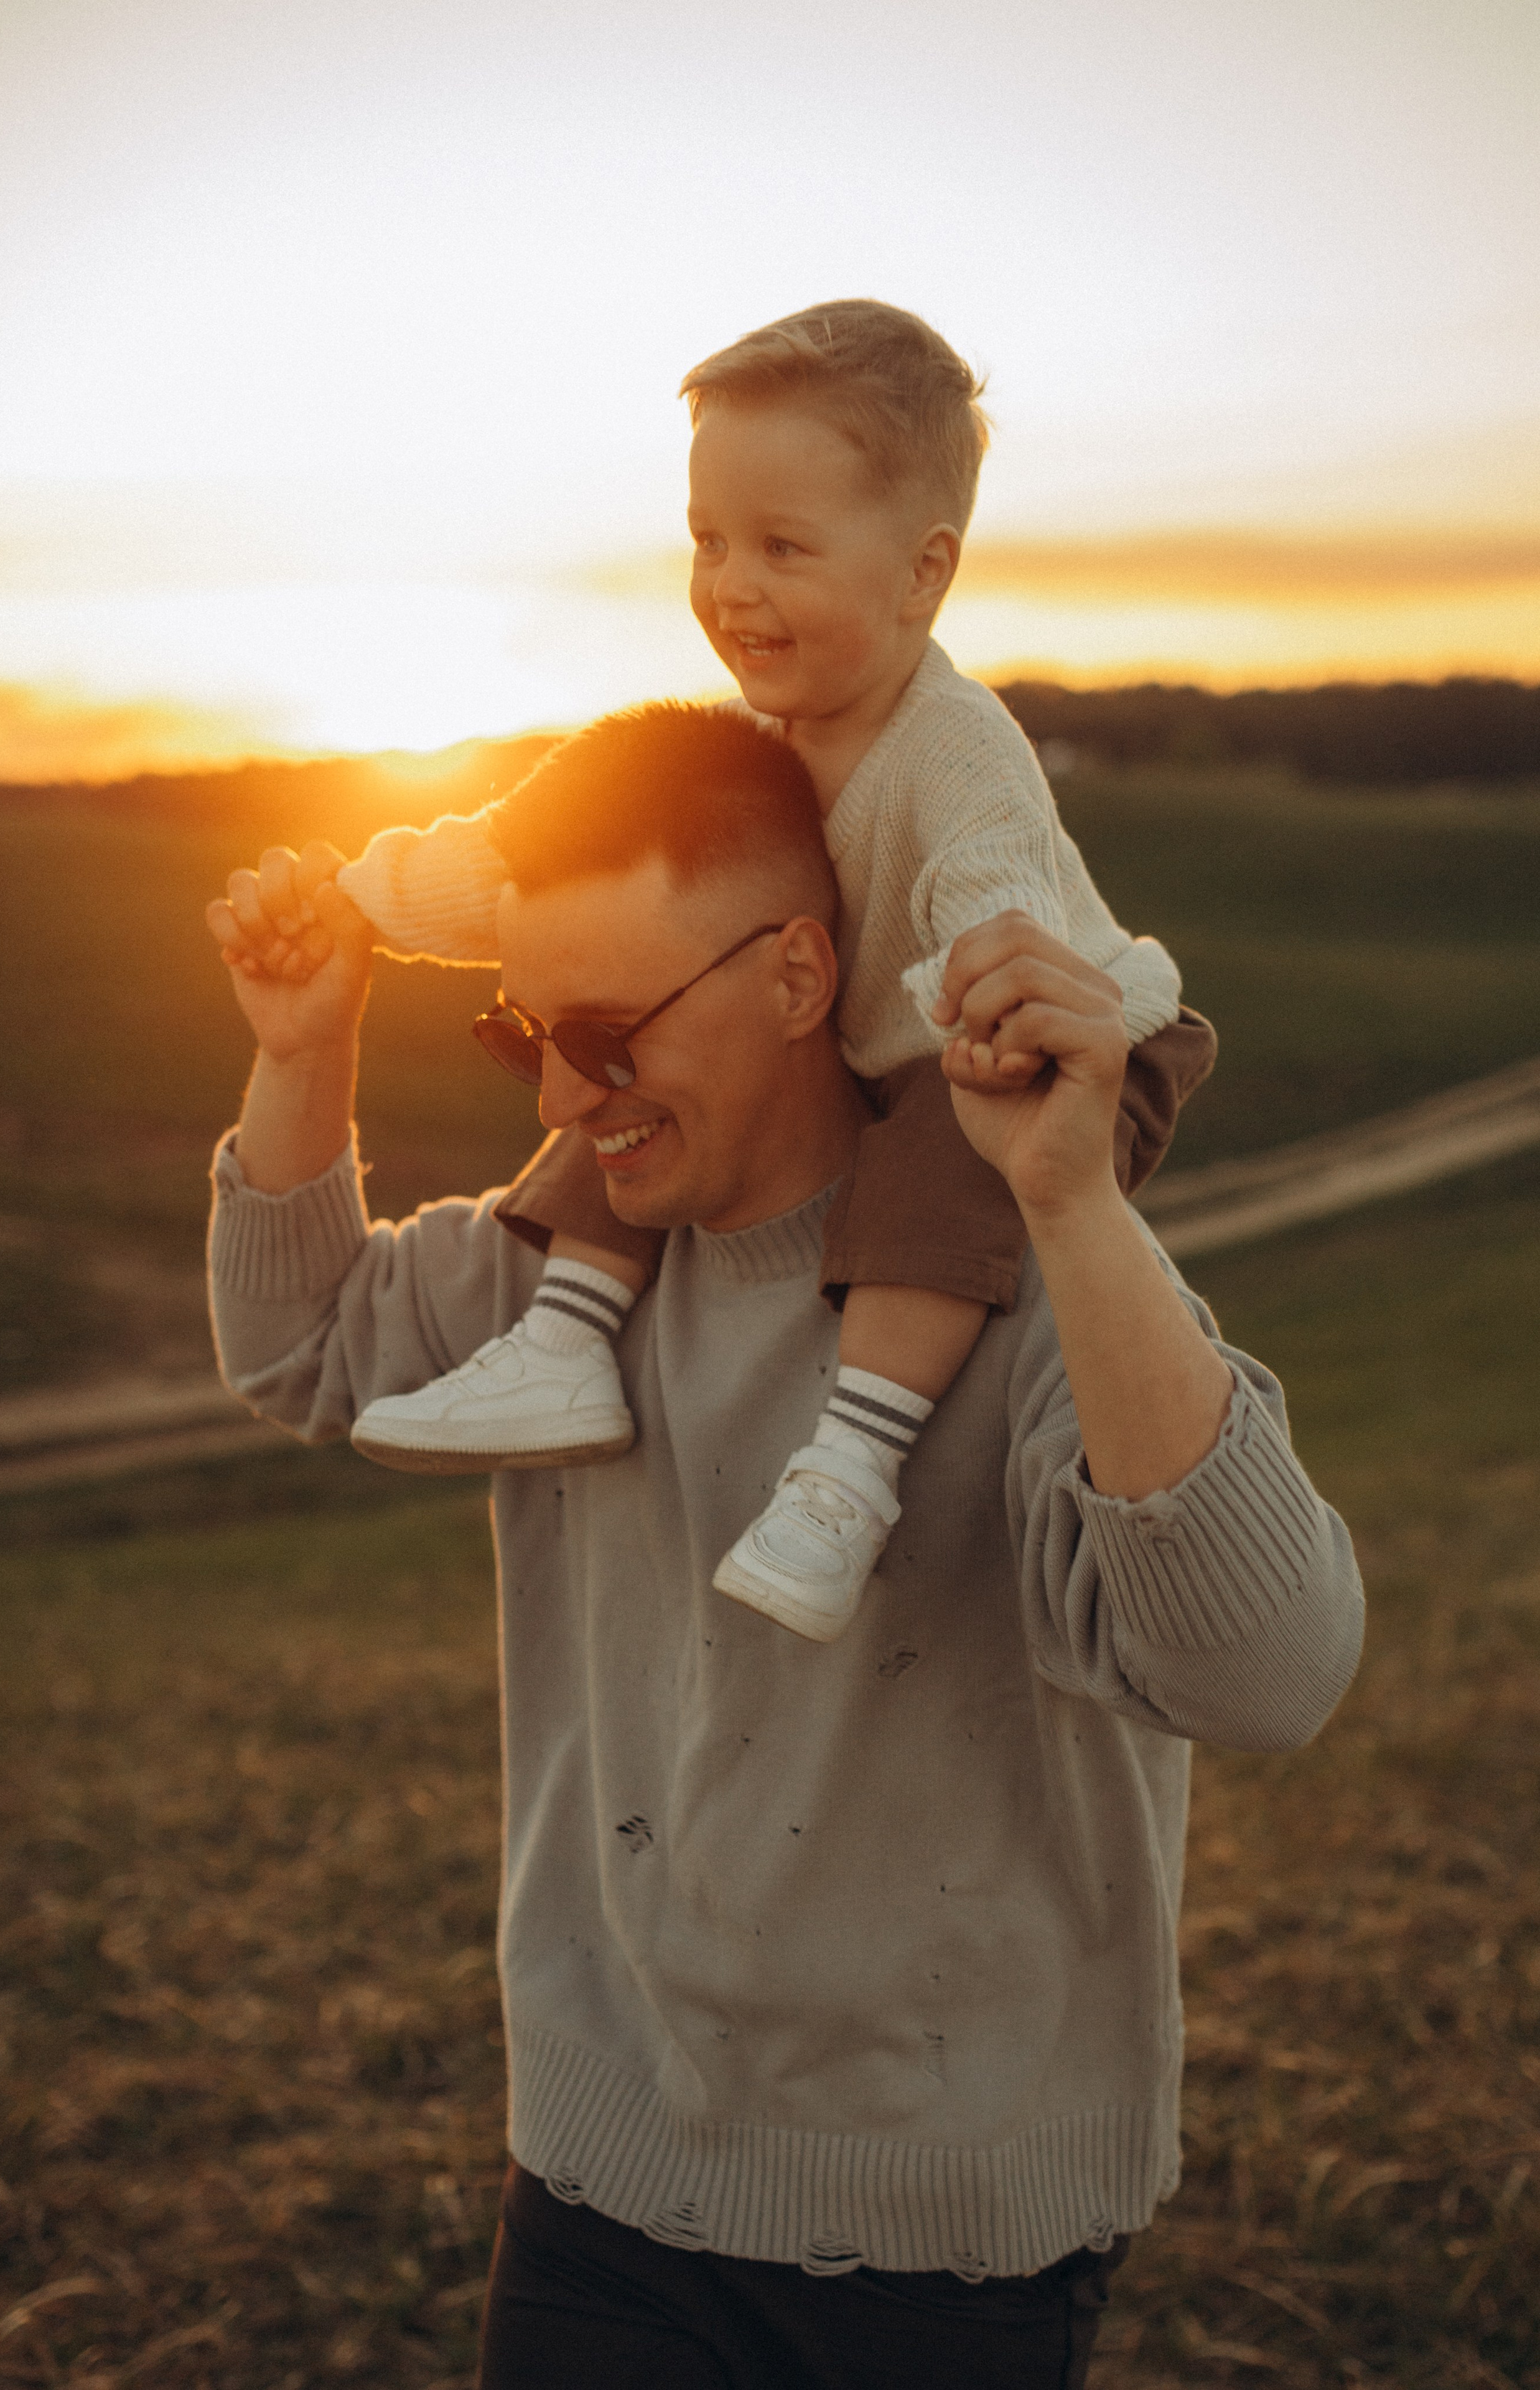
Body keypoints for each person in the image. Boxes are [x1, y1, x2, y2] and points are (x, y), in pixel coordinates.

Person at [206, 705, 1364, 2390]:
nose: (559, 1091)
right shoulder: (562, 1285)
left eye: (607, 1033)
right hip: (599, 2185)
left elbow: (1274, 1676)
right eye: (524, 1029)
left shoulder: (1021, 1299)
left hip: (946, 2248)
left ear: (802, 975)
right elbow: (300, 1346)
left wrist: (1076, 1212)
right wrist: (307, 1053)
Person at [229, 299, 1215, 1646]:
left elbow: (991, 893)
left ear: (922, 574)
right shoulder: (740, 747)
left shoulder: (953, 750)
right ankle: (569, 1337)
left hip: (1032, 1037)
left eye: (781, 547)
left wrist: (990, 987)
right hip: (874, 1044)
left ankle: (850, 1467)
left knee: (935, 1162)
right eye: (706, 541)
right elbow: (518, 868)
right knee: (618, 1041)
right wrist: (352, 904)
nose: (730, 585)